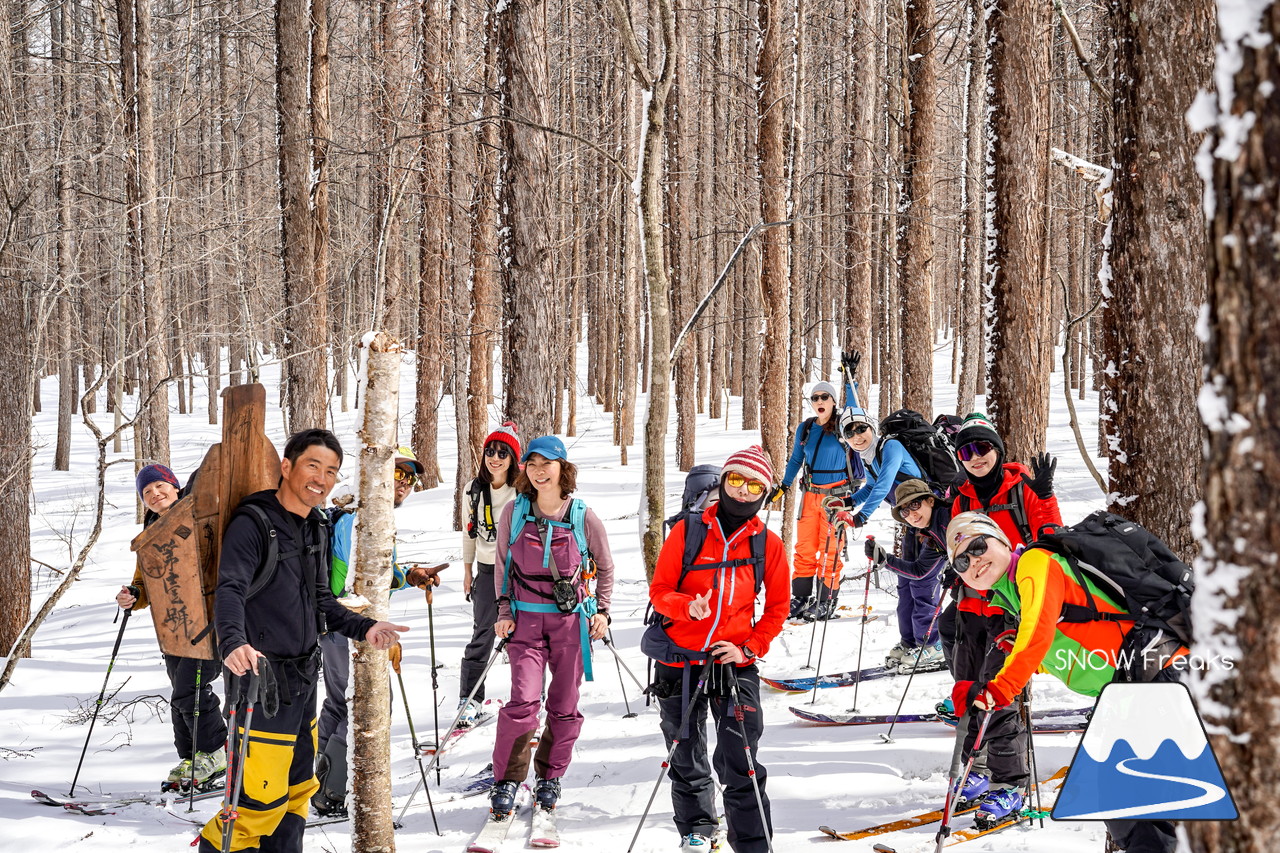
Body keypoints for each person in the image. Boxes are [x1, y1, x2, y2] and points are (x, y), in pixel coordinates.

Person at [198, 429, 407, 853]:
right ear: (287, 467)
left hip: (302, 681)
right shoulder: (253, 523)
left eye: (332, 471)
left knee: (297, 793)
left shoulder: (316, 527)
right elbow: (231, 588)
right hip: (259, 683)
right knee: (254, 803)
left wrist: (365, 627)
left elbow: (323, 602)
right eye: (314, 465)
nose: (323, 478)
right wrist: (233, 642)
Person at [945, 511, 1183, 851]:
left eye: (979, 545)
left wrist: (1000, 688)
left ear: (1000, 540)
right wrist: (1019, 669)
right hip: (1132, 687)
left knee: (1135, 805)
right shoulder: (1011, 595)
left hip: (1156, 673)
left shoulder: (1034, 563)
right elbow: (1070, 650)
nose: (974, 561)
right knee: (1133, 804)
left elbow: (1038, 634)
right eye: (961, 562)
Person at [648, 446, 789, 853]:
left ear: (763, 493)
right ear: (723, 481)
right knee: (685, 755)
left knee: (740, 762)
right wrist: (686, 606)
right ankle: (698, 827)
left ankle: (751, 844)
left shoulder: (768, 545)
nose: (743, 491)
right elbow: (660, 592)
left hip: (733, 665)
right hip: (679, 660)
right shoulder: (687, 532)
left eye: (753, 485)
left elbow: (779, 607)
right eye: (736, 480)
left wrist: (749, 648)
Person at [489, 435, 615, 817]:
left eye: (548, 463)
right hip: (525, 620)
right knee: (522, 702)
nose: (540, 471)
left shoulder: (581, 515)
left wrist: (603, 611)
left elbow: (606, 567)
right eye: (532, 464)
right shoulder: (515, 511)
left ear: (563, 468)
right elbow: (501, 567)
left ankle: (549, 776)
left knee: (564, 705)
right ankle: (507, 780)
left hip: (570, 623)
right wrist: (503, 611)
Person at [313, 445, 430, 817]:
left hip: (337, 625)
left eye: (410, 478)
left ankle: (320, 787)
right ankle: (333, 793)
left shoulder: (362, 515)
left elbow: (376, 574)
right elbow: (354, 583)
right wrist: (366, 626)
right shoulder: (357, 519)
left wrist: (409, 575)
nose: (404, 483)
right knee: (368, 703)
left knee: (338, 702)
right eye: (398, 473)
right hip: (351, 625)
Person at [115, 464, 228, 792]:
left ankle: (215, 753)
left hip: (210, 622)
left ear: (176, 487)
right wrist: (132, 596)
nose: (155, 494)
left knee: (189, 690)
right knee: (180, 694)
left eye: (160, 486)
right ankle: (192, 758)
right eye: (147, 493)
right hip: (174, 626)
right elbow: (145, 583)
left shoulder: (199, 514)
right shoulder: (150, 532)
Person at [777, 381, 860, 621]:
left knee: (831, 550)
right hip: (809, 496)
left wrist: (850, 381)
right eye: (815, 398)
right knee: (804, 548)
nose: (820, 401)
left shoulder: (845, 426)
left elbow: (855, 413)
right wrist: (784, 485)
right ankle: (801, 599)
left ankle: (826, 600)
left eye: (825, 397)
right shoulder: (806, 429)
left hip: (836, 498)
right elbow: (795, 460)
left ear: (834, 401)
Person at [458, 422, 521, 725]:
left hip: (518, 572)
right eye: (490, 452)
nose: (495, 458)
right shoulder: (473, 490)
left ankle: (531, 698)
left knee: (525, 638)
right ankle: (470, 700)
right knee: (482, 634)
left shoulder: (522, 491)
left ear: (512, 459)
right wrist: (468, 570)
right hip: (485, 570)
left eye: (502, 453)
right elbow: (469, 532)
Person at [864, 478, 949, 672]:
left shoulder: (946, 520)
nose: (912, 514)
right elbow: (919, 571)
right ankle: (913, 643)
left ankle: (934, 645)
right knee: (908, 589)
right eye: (905, 511)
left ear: (931, 500)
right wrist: (884, 559)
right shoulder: (930, 534)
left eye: (915, 504)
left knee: (927, 592)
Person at [843, 403, 924, 528]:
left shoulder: (890, 446)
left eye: (861, 429)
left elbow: (883, 485)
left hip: (928, 508)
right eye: (849, 434)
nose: (856, 437)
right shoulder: (867, 457)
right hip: (911, 514)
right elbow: (871, 486)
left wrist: (862, 515)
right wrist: (848, 502)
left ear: (872, 428)